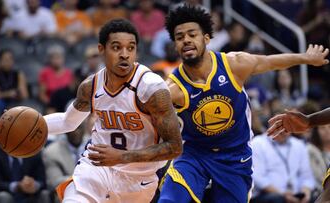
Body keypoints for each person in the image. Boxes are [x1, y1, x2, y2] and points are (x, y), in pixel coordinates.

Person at [158, 4, 329, 203]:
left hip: (234, 156)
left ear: (205, 38)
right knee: (170, 200)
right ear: (175, 44)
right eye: (180, 37)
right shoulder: (172, 88)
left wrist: (306, 58)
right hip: (195, 155)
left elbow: (271, 62)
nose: (186, 40)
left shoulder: (234, 64)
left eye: (191, 34)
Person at [35, 19, 182, 202]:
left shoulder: (151, 89)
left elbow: (174, 147)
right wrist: (31, 125)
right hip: (96, 168)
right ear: (101, 49)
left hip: (138, 179)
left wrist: (122, 157)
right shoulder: (91, 85)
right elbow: (68, 121)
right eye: (116, 47)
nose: (124, 54)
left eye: (131, 48)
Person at [267, 107, 330, 203]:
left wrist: (306, 191)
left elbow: (307, 176)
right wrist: (310, 121)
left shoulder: (298, 145)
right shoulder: (259, 143)